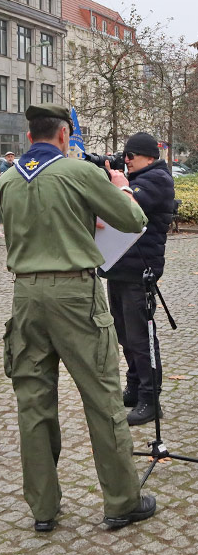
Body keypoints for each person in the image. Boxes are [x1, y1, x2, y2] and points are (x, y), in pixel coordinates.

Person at [0, 103, 156, 532]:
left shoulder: (9, 178)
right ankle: (122, 500)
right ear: (65, 136)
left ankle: (44, 509)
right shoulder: (79, 171)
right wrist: (121, 185)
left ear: (30, 136)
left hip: (26, 294)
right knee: (102, 396)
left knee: (33, 402)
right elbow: (133, 217)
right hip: (75, 292)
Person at [99, 132, 174, 426]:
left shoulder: (156, 179)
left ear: (149, 157)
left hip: (139, 270)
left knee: (141, 336)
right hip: (119, 266)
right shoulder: (136, 180)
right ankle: (133, 386)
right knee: (123, 332)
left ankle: (150, 398)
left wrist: (119, 186)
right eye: (125, 155)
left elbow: (125, 210)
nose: (126, 160)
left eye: (132, 155)